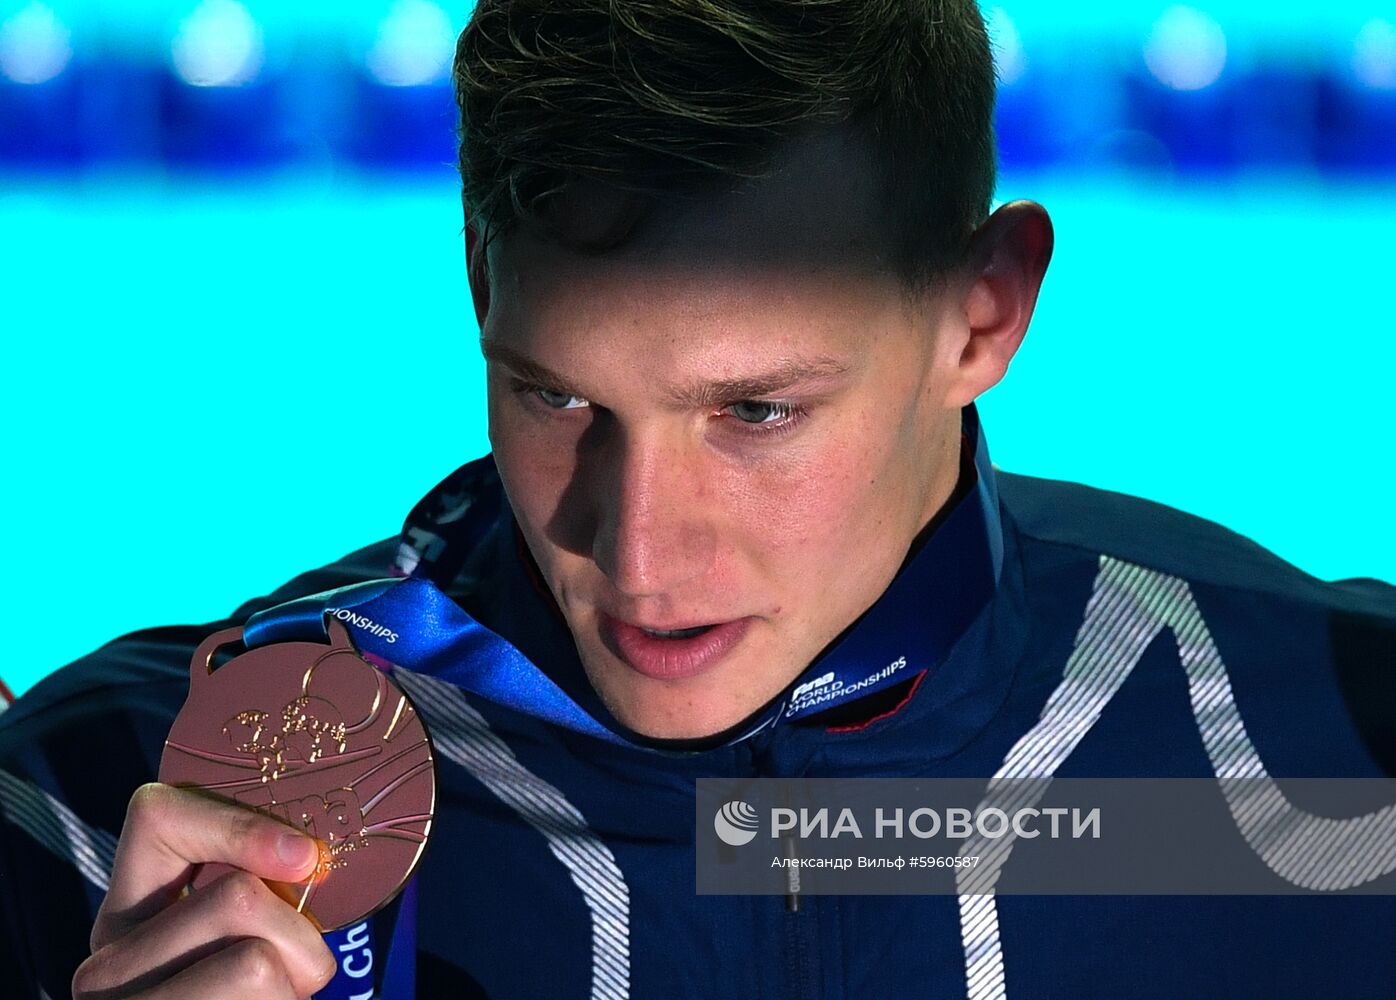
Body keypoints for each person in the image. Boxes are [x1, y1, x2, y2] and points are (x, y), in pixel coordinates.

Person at [3, 0, 1395, 997]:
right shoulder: (109, 813)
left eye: (756, 412)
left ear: (983, 312)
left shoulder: (1339, 756)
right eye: (559, 398)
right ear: (482, 285)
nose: (637, 553)